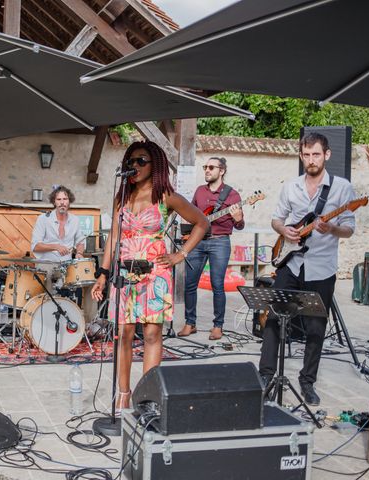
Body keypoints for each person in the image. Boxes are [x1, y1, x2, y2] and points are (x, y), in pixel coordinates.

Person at [91, 141, 208, 411]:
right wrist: (103, 272)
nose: (135, 166)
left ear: (155, 164)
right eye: (131, 162)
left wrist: (181, 255)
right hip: (124, 272)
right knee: (123, 333)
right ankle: (123, 394)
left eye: (141, 161)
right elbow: (114, 236)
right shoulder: (121, 198)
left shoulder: (167, 196)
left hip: (155, 273)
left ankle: (146, 396)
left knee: (152, 334)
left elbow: (202, 223)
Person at [259, 132, 356, 406]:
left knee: (316, 326)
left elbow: (349, 229)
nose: (310, 160)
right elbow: (276, 219)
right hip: (291, 262)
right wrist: (284, 230)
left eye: (316, 154)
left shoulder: (342, 188)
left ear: (327, 155)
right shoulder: (291, 186)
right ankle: (265, 374)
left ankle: (307, 382)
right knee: (274, 319)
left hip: (321, 267)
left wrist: (333, 228)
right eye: (306, 154)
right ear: (301, 156)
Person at [178, 156, 245, 340]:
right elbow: (190, 214)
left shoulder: (232, 195)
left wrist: (238, 219)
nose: (207, 170)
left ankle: (218, 326)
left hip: (220, 242)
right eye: (205, 167)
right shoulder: (200, 191)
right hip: (197, 241)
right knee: (190, 284)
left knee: (217, 285)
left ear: (221, 171)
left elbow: (240, 226)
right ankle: (190, 323)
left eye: (211, 167)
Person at [31, 186, 86, 296]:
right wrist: (56, 246)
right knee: (48, 294)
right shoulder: (43, 219)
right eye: (59, 199)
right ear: (54, 202)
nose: (62, 203)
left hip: (66, 265)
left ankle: (76, 309)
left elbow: (80, 241)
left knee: (86, 282)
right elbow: (35, 246)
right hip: (47, 264)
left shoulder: (75, 220)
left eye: (65, 199)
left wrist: (79, 253)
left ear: (69, 202)